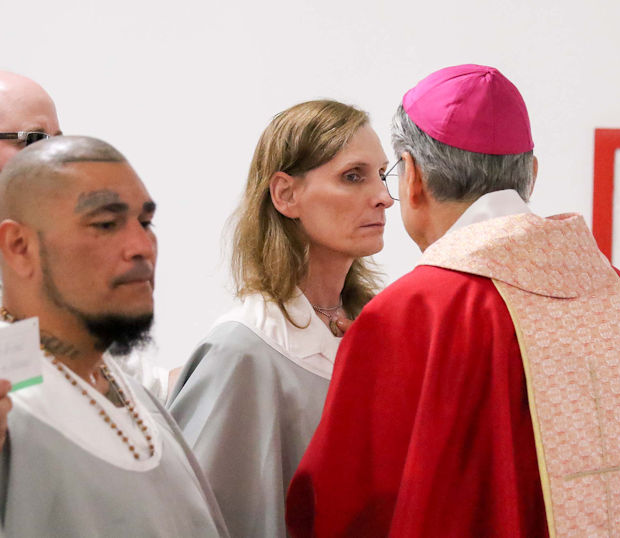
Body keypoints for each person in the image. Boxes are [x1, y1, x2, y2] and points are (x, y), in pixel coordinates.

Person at [286, 65, 620, 536]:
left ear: (413, 178)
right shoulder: (616, 296)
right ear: (532, 175)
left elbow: (342, 503)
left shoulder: (415, 313)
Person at [168, 99, 394, 537]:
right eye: (353, 176)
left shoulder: (378, 332)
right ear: (286, 195)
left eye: (383, 175)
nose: (384, 197)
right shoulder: (243, 349)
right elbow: (190, 520)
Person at [0, 136, 228, 536]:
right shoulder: (12, 398)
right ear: (19, 246)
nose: (142, 247)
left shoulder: (130, 391)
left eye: (146, 223)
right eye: (106, 224)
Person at [0, 69, 175, 402]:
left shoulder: (60, 252)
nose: (56, 158)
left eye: (59, 140)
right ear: (15, 246)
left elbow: (144, 386)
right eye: (34, 140)